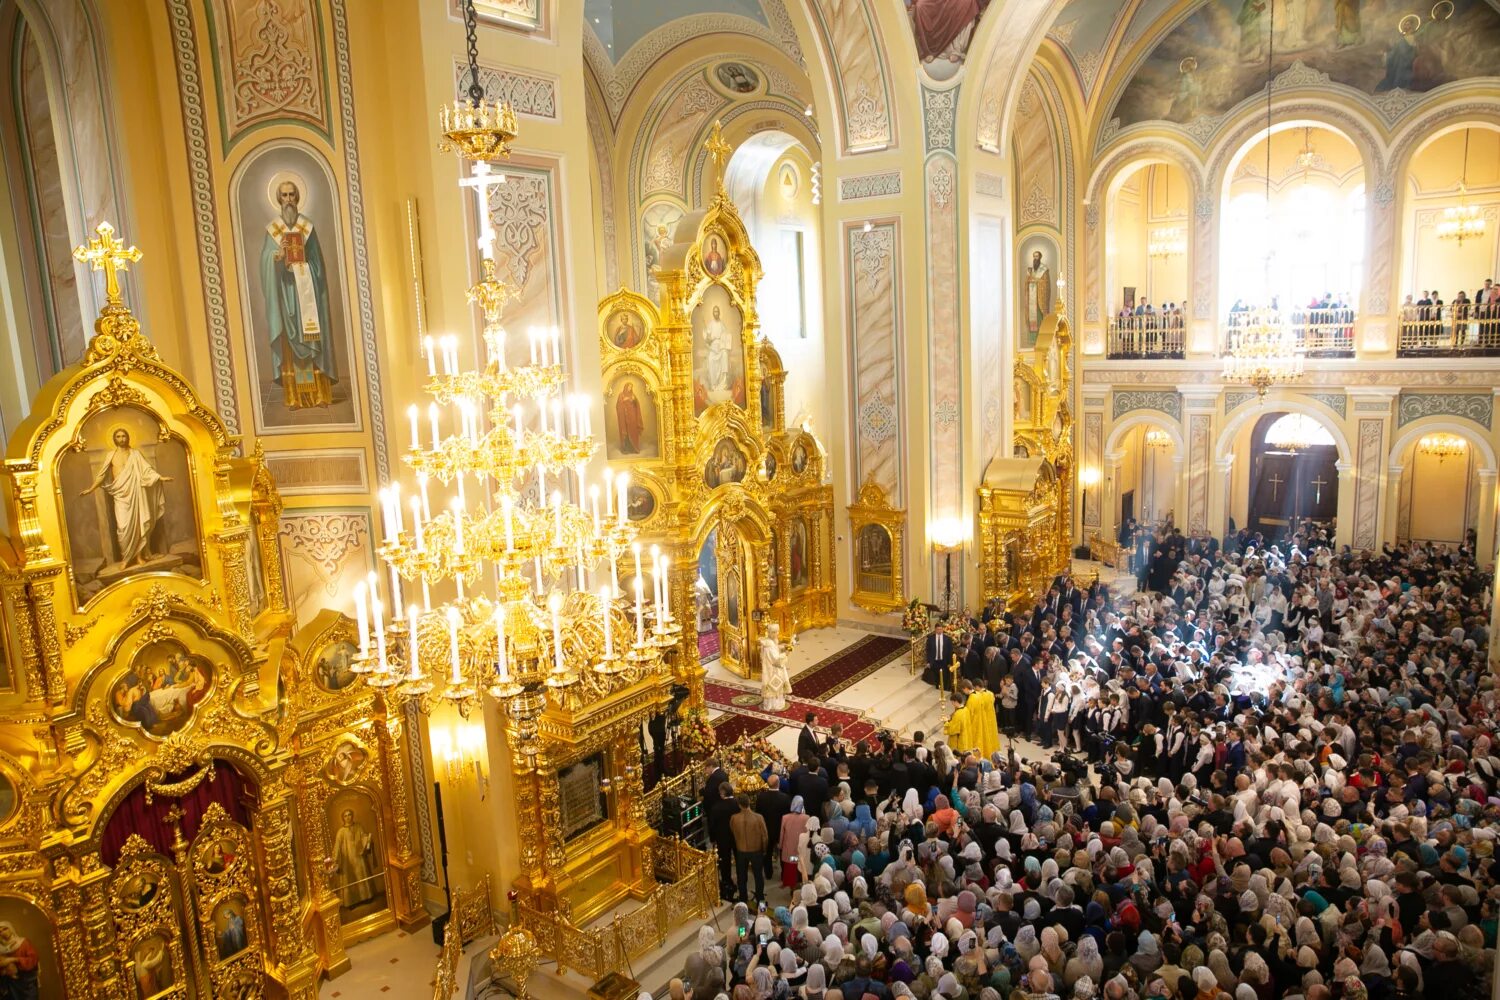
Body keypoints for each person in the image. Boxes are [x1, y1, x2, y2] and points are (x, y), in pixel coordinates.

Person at [262, 177, 337, 408]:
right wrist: (277, 258)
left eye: (292, 195)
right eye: (284, 195)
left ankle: (320, 394)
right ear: (278, 199)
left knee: (311, 337)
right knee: (290, 341)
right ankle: (294, 396)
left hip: (308, 296)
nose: (288, 200)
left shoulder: (308, 228)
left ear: (298, 197)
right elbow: (265, 262)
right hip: (286, 294)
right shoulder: (273, 230)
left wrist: (303, 264)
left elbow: (318, 265)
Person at [81, 427, 171, 568]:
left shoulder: (135, 454)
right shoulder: (110, 455)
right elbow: (102, 475)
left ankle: (139, 556)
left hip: (136, 492)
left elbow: (147, 470)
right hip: (121, 495)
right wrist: (91, 489)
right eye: (118, 436)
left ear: (128, 437)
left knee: (139, 524)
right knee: (123, 527)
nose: (122, 439)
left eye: (124, 436)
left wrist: (160, 477)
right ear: (114, 439)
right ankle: (126, 558)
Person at [332, 808, 378, 909]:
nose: (348, 817)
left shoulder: (358, 826)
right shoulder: (341, 832)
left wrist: (368, 839)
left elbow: (363, 838)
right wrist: (334, 859)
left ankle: (366, 897)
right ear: (343, 818)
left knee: (362, 875)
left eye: (349, 815)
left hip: (359, 856)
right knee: (350, 878)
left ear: (352, 816)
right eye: (345, 816)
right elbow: (337, 846)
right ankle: (351, 902)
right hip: (347, 859)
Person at [730, 794, 768, 903]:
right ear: (749, 803)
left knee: (741, 877)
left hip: (741, 851)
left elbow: (733, 832)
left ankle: (743, 899)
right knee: (758, 876)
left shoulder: (734, 818)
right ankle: (760, 899)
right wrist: (764, 849)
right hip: (756, 851)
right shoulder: (758, 818)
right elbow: (765, 837)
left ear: (739, 805)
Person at [0, 921, 39, 1000]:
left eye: (5, 929)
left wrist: (13, 959)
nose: (3, 932)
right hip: (9, 985)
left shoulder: (23, 943)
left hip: (26, 983)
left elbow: (33, 960)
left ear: (10, 929)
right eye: (0, 931)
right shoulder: (0, 949)